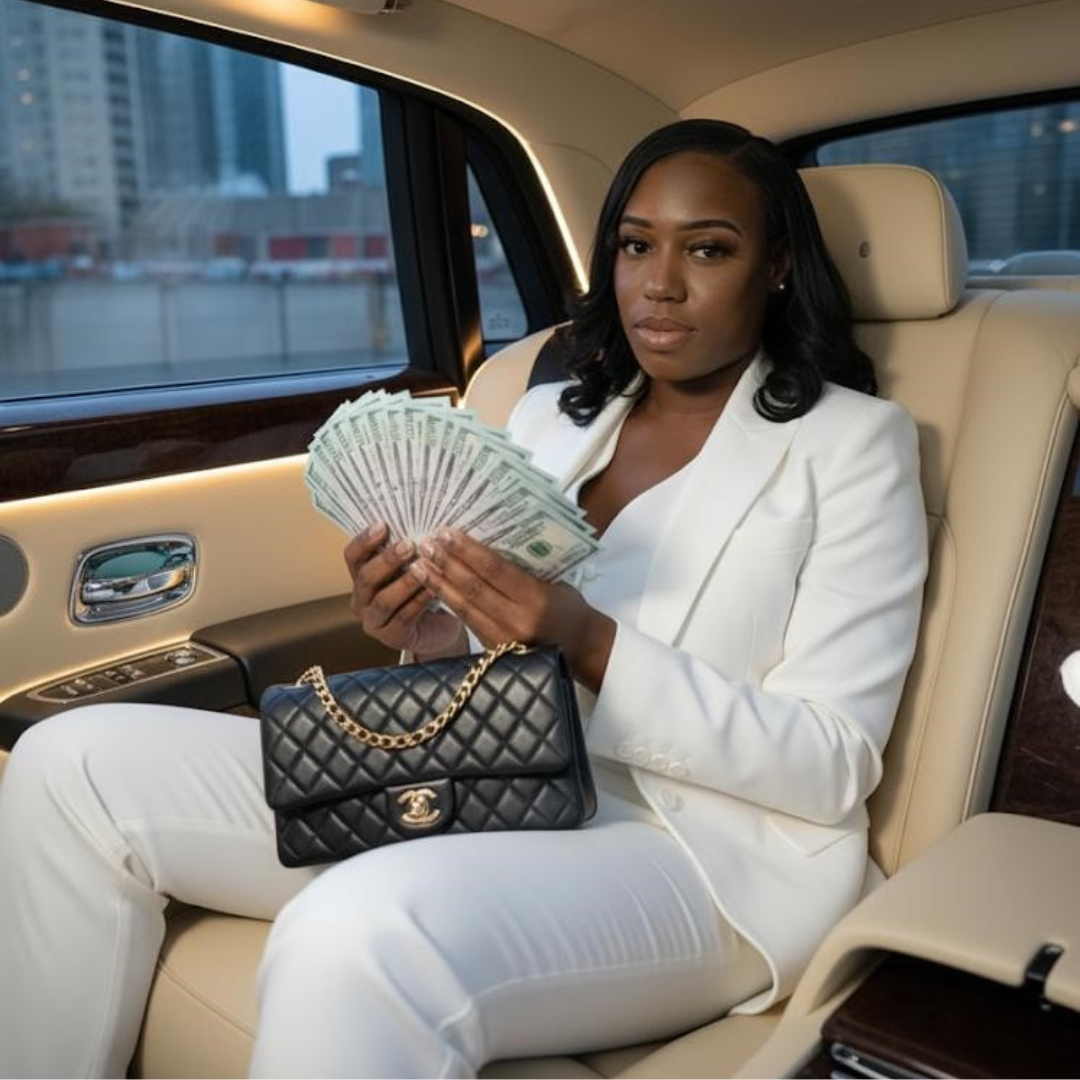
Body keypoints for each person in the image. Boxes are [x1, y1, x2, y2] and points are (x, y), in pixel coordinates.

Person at [0, 119, 927, 1078]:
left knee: (351, 932)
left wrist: (586, 641)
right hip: (490, 775)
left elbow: (832, 762)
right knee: (70, 762)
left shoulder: (852, 446)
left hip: (696, 850)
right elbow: (483, 669)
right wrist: (427, 626)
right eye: (636, 244)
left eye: (709, 250)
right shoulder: (546, 413)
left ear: (776, 266)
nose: (661, 282)